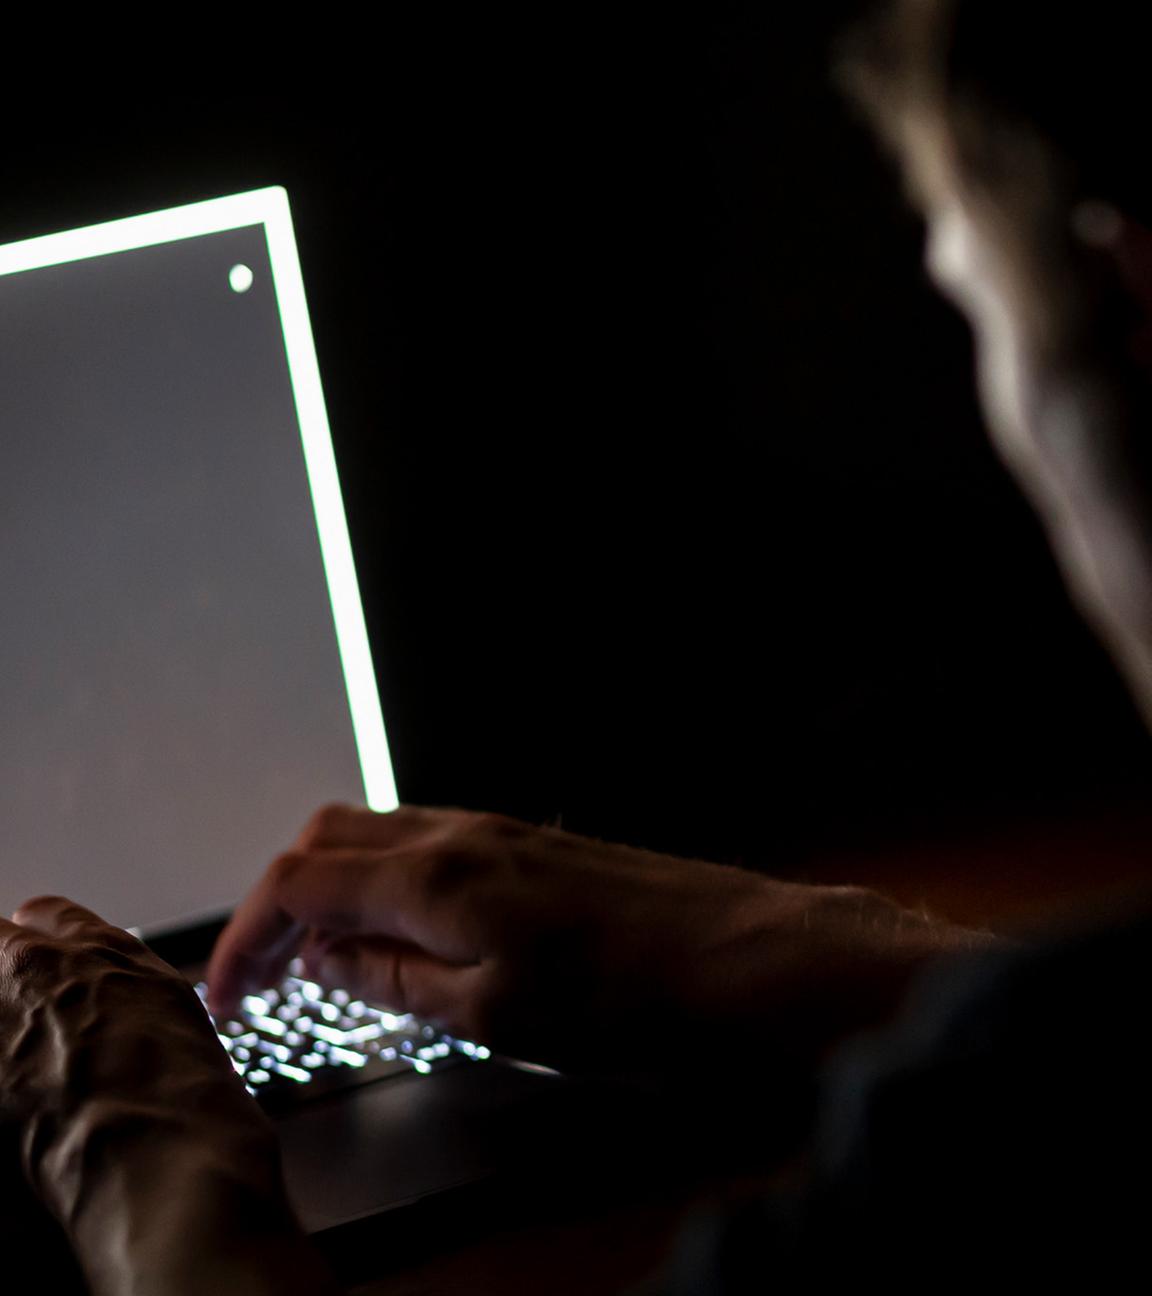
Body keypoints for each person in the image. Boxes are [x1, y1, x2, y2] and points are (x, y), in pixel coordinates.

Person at [3, 0, 1151, 1287]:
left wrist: (147, 1158)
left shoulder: (984, 1152)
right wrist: (790, 947)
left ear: (1129, 296)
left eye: (974, 304)